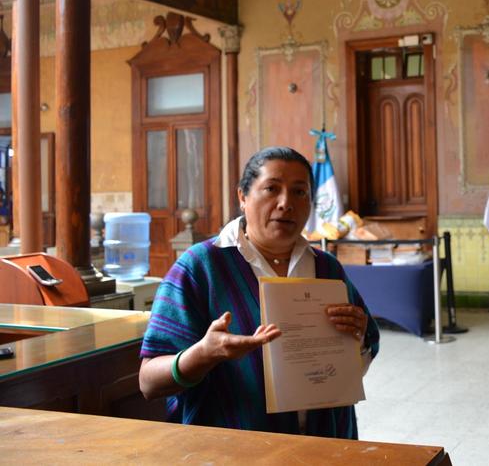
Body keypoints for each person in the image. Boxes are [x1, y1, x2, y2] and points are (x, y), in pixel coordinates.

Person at [139, 146, 380, 438]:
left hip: (327, 444)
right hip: (233, 448)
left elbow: (362, 354)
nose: (286, 203)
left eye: (299, 192)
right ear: (243, 196)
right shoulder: (201, 266)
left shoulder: (327, 267)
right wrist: (203, 354)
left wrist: (357, 338)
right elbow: (148, 382)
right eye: (271, 189)